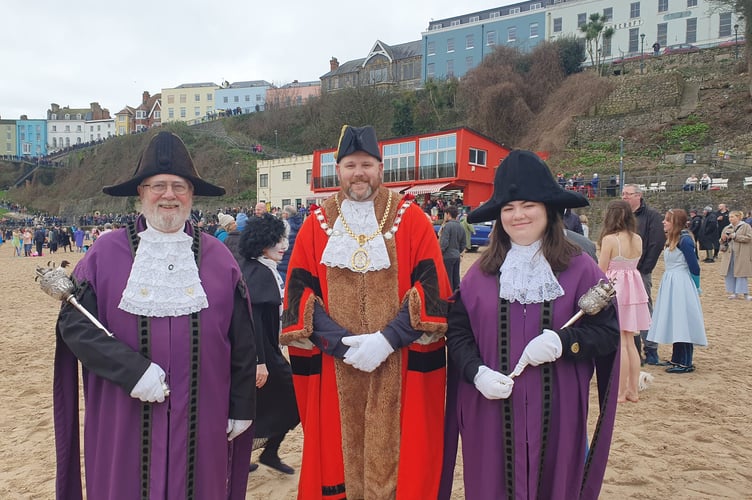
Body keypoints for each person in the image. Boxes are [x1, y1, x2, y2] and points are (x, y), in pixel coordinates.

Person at [53, 131, 257, 500]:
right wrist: (132, 371)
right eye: (158, 186)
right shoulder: (104, 252)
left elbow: (241, 337)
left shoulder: (219, 257)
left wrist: (241, 404)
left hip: (203, 415)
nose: (169, 195)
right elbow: (76, 326)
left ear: (192, 195)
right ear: (140, 194)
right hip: (123, 413)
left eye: (179, 186)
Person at [280, 125, 452, 498]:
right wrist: (340, 344)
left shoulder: (413, 219)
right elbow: (298, 294)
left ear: (381, 168)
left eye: (367, 165)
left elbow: (433, 289)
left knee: (401, 461)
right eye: (351, 165)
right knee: (337, 459)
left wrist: (387, 340)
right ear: (337, 170)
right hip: (335, 365)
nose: (359, 173)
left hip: (400, 362)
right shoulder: (315, 224)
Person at [440, 150, 620, 499]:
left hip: (559, 417)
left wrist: (565, 343)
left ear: (548, 209)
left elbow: (608, 334)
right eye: (508, 208)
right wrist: (476, 372)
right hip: (490, 416)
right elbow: (458, 335)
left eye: (527, 205)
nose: (517, 215)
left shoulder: (581, 268)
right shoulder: (479, 275)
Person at [236, 214, 300, 474]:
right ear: (263, 242)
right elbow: (255, 323)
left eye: (285, 239)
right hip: (264, 355)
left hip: (266, 352)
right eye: (278, 240)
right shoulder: (260, 273)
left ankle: (267, 452)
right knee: (293, 400)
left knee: (260, 407)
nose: (283, 245)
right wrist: (260, 362)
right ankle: (260, 453)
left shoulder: (258, 268)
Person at [598, 200, 651, 403]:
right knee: (630, 341)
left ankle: (620, 392)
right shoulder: (637, 238)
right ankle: (632, 390)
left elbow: (600, 269)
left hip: (617, 288)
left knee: (621, 343)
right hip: (634, 288)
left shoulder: (610, 239)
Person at [646, 209, 707, 373]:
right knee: (676, 319)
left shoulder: (684, 240)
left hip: (681, 283)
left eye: (667, 220)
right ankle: (677, 358)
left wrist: (696, 285)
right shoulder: (674, 239)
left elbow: (694, 266)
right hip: (672, 281)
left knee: (682, 320)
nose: (663, 222)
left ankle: (685, 362)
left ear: (676, 223)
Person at [621, 183, 666, 366]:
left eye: (628, 194)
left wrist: (644, 269)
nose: (624, 197)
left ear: (638, 196)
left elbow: (656, 243)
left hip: (641, 271)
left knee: (645, 308)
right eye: (623, 194)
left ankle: (651, 348)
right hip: (621, 271)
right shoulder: (621, 216)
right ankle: (631, 349)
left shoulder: (651, 216)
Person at [719, 210, 752, 300]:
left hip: (742, 254)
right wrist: (723, 239)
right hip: (729, 254)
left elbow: (749, 238)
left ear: (738, 217)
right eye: (729, 217)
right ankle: (734, 293)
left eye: (732, 217)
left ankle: (745, 293)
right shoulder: (727, 227)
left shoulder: (746, 226)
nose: (730, 219)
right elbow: (721, 240)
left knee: (741, 273)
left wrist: (735, 236)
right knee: (730, 273)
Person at [439, 205, 467, 291]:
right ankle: (456, 298)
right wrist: (457, 251)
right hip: (456, 255)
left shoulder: (447, 226)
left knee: (448, 279)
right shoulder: (461, 227)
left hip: (447, 256)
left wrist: (441, 252)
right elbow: (463, 244)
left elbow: (444, 243)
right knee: (456, 278)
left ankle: (449, 300)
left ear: (448, 214)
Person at [278, 204, 304, 283]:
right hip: (296, 264)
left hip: (283, 265)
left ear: (286, 215)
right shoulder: (301, 226)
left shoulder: (285, 228)